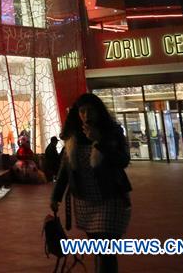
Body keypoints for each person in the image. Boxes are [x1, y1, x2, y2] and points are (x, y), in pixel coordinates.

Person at [51, 93, 132, 273]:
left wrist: (100, 141)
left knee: (105, 248)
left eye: (90, 110)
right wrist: (55, 196)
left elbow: (123, 160)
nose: (86, 115)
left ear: (99, 111)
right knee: (99, 247)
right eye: (82, 111)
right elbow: (65, 171)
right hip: (85, 201)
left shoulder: (113, 132)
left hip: (110, 197)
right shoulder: (73, 138)